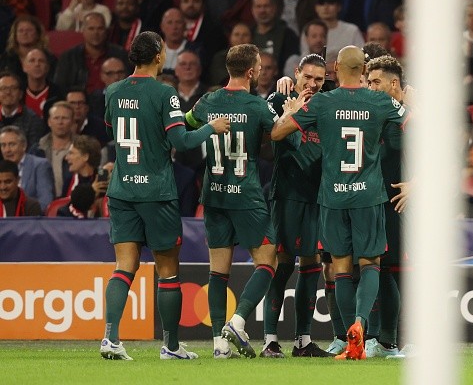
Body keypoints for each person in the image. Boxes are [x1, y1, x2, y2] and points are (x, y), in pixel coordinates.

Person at [270, 45, 408, 360]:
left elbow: (278, 133)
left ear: (334, 71)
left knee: (341, 269)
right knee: (370, 263)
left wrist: (290, 111)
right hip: (369, 197)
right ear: (363, 70)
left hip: (332, 198)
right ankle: (362, 324)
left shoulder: (322, 102)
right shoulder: (381, 101)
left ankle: (351, 342)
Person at [99, 30, 229, 360]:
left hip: (122, 190)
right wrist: (209, 128)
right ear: (159, 56)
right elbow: (182, 142)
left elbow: (117, 128)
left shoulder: (112, 91)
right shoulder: (165, 92)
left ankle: (111, 339)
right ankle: (170, 346)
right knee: (168, 270)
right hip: (156, 193)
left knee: (123, 266)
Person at [185, 43, 296, 359]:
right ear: (250, 72)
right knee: (268, 260)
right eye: (259, 67)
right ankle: (237, 320)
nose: (261, 71)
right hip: (245, 197)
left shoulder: (208, 101)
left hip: (214, 196)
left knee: (217, 271)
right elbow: (277, 133)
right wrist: (292, 111)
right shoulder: (256, 105)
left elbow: (187, 126)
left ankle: (219, 345)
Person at [262, 53, 333, 358]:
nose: (314, 84)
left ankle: (303, 341)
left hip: (318, 195)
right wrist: (287, 99)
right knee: (283, 263)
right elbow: (271, 133)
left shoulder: (329, 103)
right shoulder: (280, 98)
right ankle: (269, 340)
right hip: (288, 192)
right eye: (308, 77)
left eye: (319, 79)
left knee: (312, 265)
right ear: (296, 73)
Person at [365, 54, 411, 358]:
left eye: (375, 82)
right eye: (368, 81)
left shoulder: (411, 115)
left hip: (400, 204)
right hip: (377, 201)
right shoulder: (379, 113)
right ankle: (381, 339)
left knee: (396, 271)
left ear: (393, 84)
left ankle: (392, 340)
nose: (370, 87)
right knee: (380, 270)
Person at [53, 12, 130, 94]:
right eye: (91, 28)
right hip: (80, 103)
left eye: (100, 28)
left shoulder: (120, 55)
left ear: (106, 31)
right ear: (83, 31)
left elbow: (130, 84)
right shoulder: (68, 57)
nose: (96, 33)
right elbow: (59, 88)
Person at [0, 125, 54, 211]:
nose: (7, 150)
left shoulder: (40, 165)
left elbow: (45, 202)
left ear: (24, 146)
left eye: (12, 144)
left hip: (29, 220)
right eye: (3, 145)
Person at [29, 101, 75, 198]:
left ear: (72, 121)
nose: (60, 122)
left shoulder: (81, 148)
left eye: (64, 118)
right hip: (44, 204)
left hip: (73, 202)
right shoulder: (37, 150)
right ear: (49, 122)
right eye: (56, 118)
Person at [251, 0, 299, 74]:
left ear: (274, 8)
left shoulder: (288, 35)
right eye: (258, 6)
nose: (262, 10)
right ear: (252, 10)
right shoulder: (247, 34)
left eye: (266, 6)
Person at [0, 71, 46, 150]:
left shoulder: (33, 120)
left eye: (13, 88)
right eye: (3, 88)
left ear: (20, 94)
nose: (8, 92)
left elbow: (33, 151)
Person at [22, 48, 64, 122]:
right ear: (24, 67)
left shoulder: (59, 94)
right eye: (32, 61)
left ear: (47, 67)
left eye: (41, 61)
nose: (37, 64)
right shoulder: (18, 93)